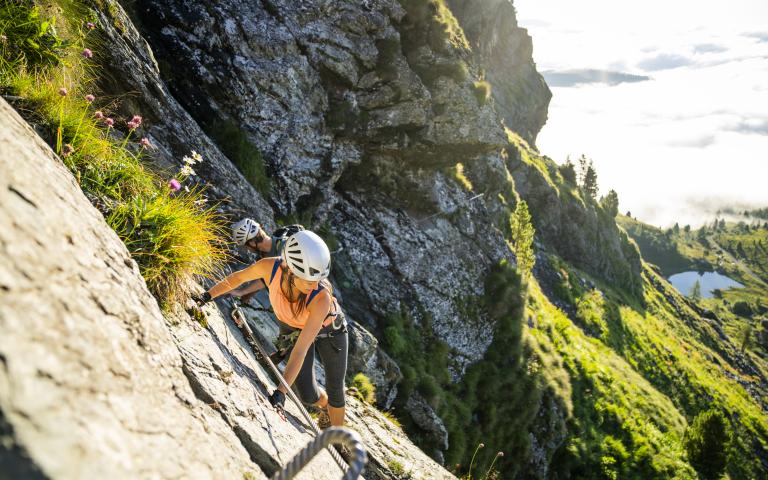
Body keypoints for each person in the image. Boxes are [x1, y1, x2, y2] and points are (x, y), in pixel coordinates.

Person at [193, 230, 348, 427]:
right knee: (308, 395)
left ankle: (338, 437)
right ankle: (324, 406)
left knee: (336, 388)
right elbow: (238, 278)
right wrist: (206, 296)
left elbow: (300, 350)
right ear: (291, 270)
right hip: (295, 327)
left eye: (317, 280)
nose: (315, 285)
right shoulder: (270, 267)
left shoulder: (320, 297)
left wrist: (280, 393)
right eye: (309, 281)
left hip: (330, 331)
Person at [228, 218, 284, 303]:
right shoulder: (267, 252)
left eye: (246, 246)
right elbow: (264, 278)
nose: (248, 249)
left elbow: (268, 278)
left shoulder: (284, 249)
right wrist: (246, 295)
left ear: (252, 243)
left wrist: (241, 292)